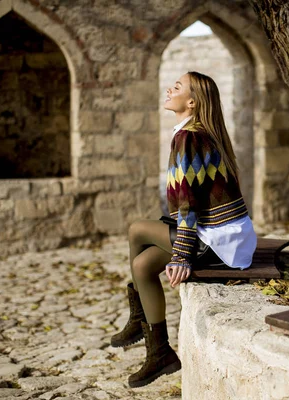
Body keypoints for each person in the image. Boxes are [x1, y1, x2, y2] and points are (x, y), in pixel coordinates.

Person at [110, 71, 257, 388]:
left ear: (191, 102)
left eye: (177, 87)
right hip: (230, 238)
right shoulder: (200, 133)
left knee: (137, 229)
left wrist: (180, 256)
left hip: (218, 243)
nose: (169, 88)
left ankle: (145, 327)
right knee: (142, 265)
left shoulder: (188, 137)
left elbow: (187, 204)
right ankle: (158, 349)